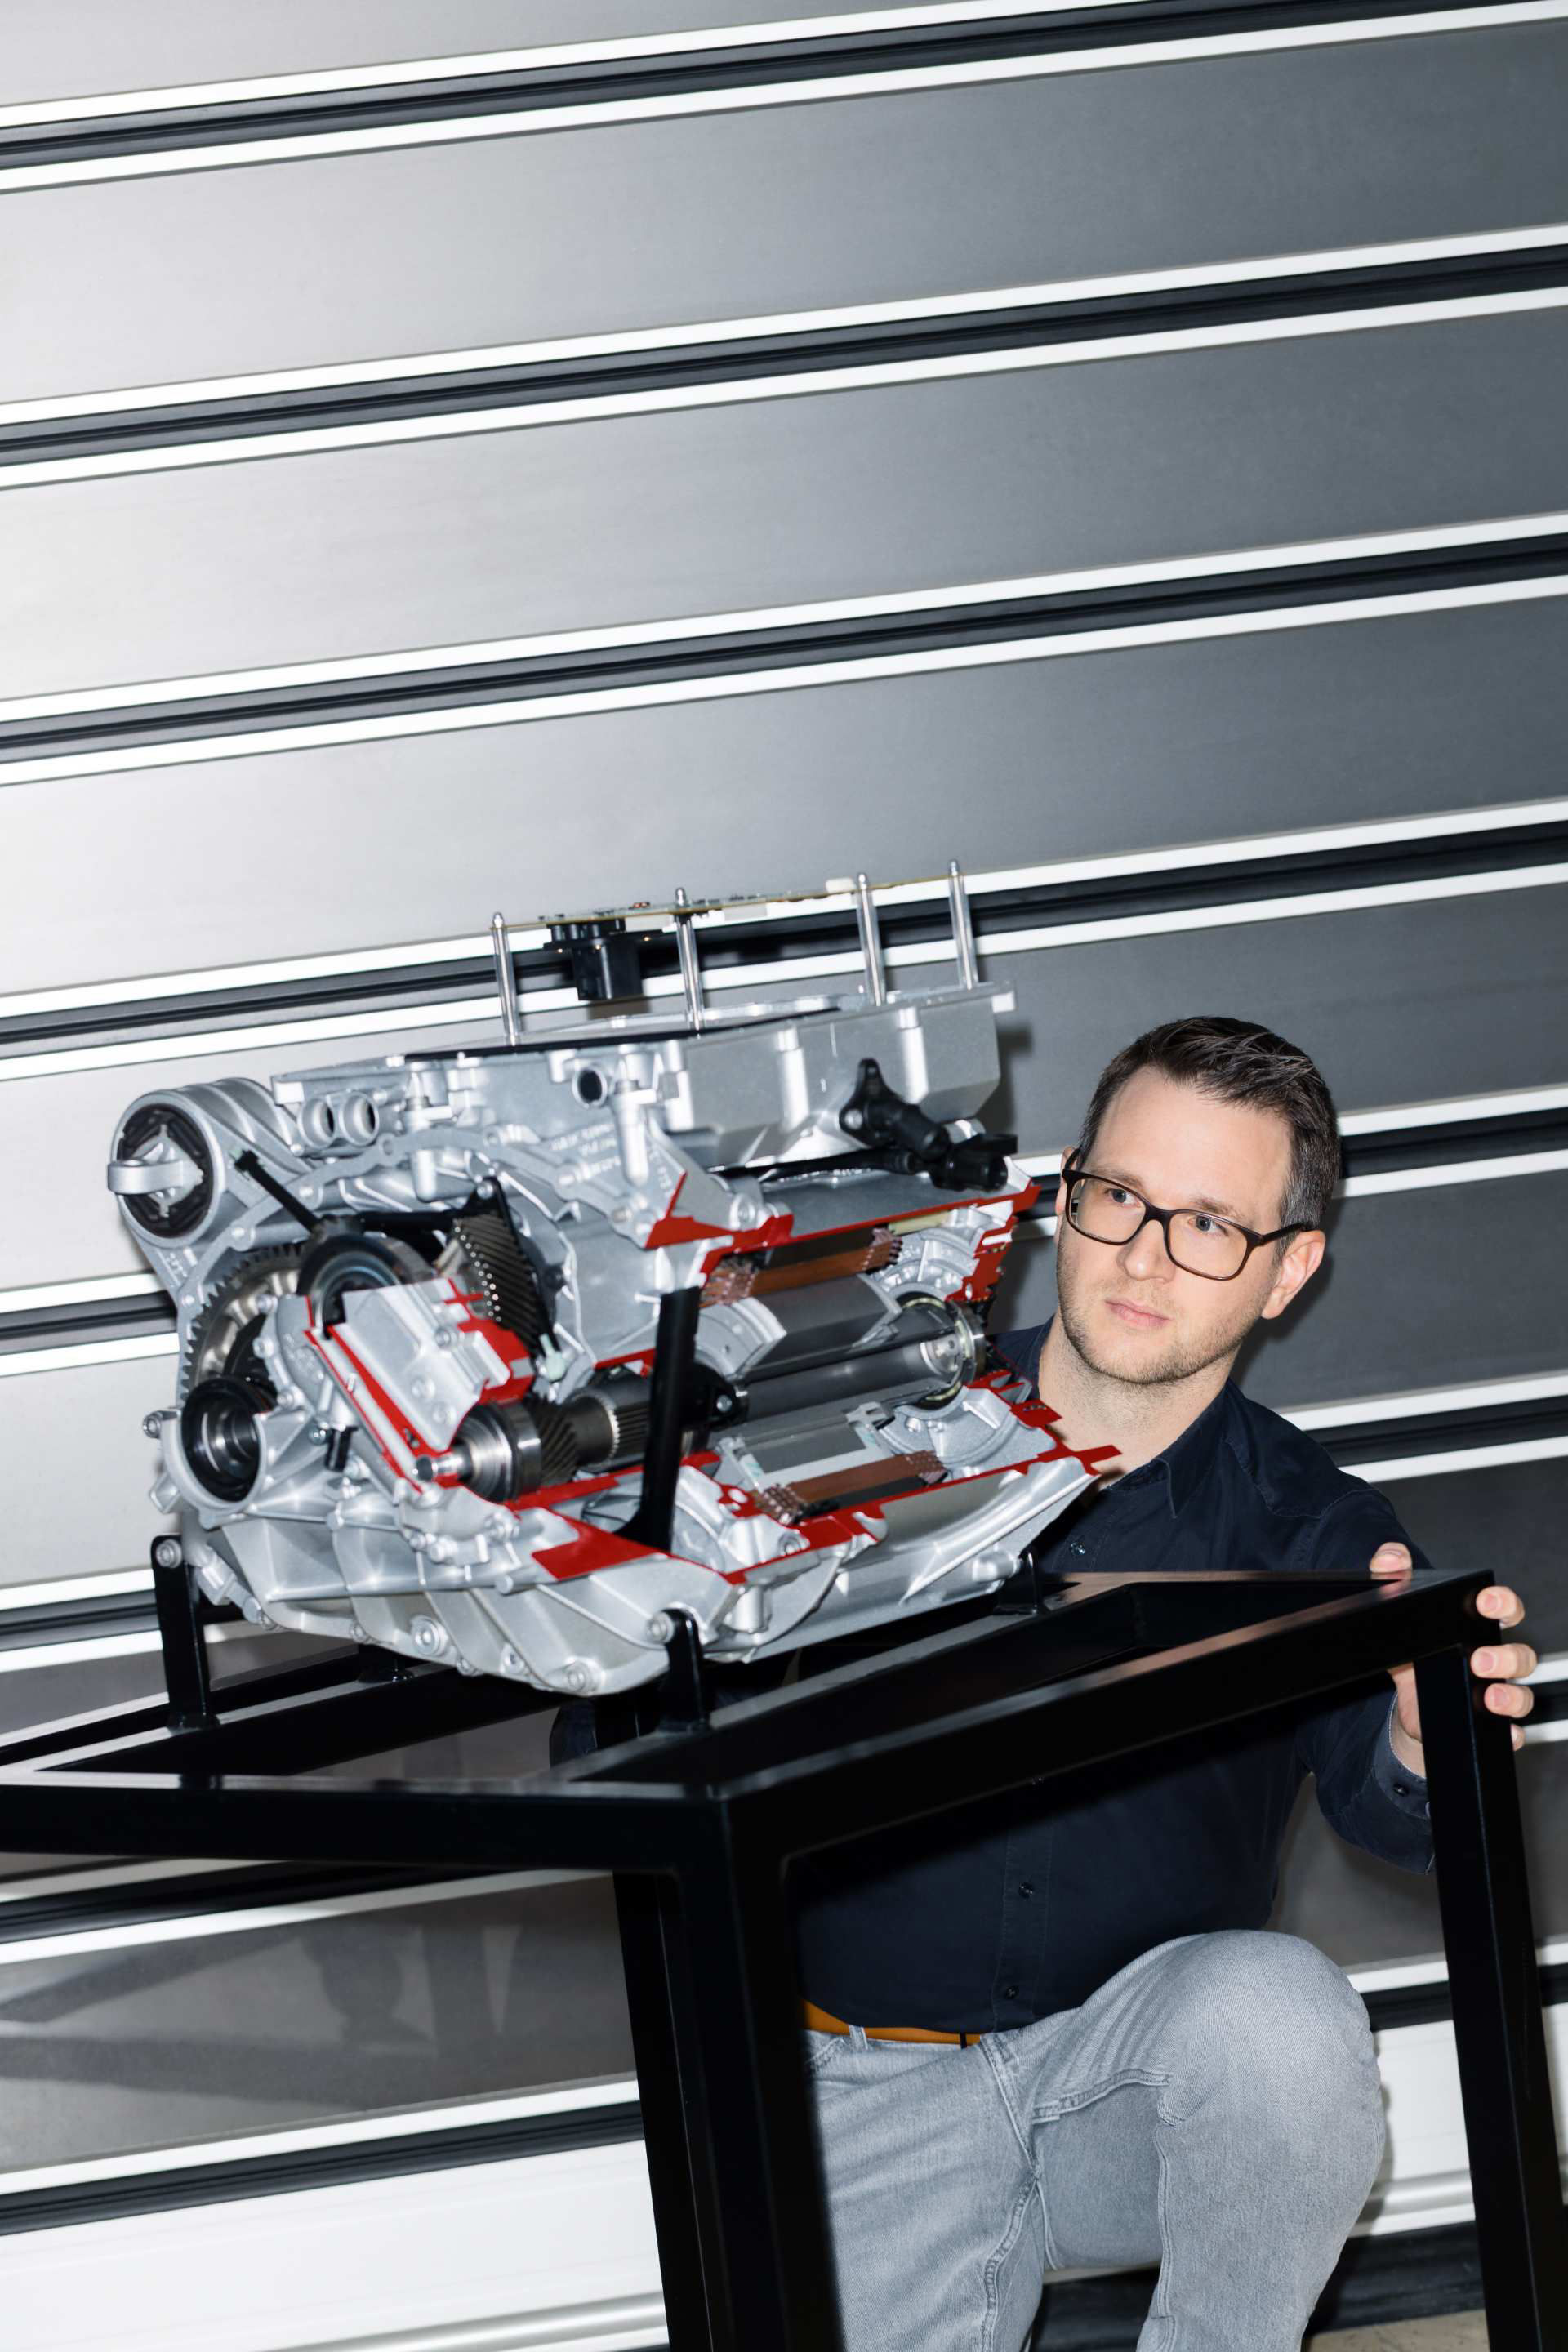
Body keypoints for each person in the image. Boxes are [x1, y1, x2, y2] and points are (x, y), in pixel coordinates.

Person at [789, 1015, 1536, 2352]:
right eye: (1120, 1197)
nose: (1143, 1255)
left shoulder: (1315, 1528)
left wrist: (1429, 1741)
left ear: (1289, 1271)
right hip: (861, 2090)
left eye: (1209, 1226)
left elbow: (1392, 1808)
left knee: (1283, 2027)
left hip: (1129, 2096)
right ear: (1064, 1194)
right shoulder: (862, 1442)